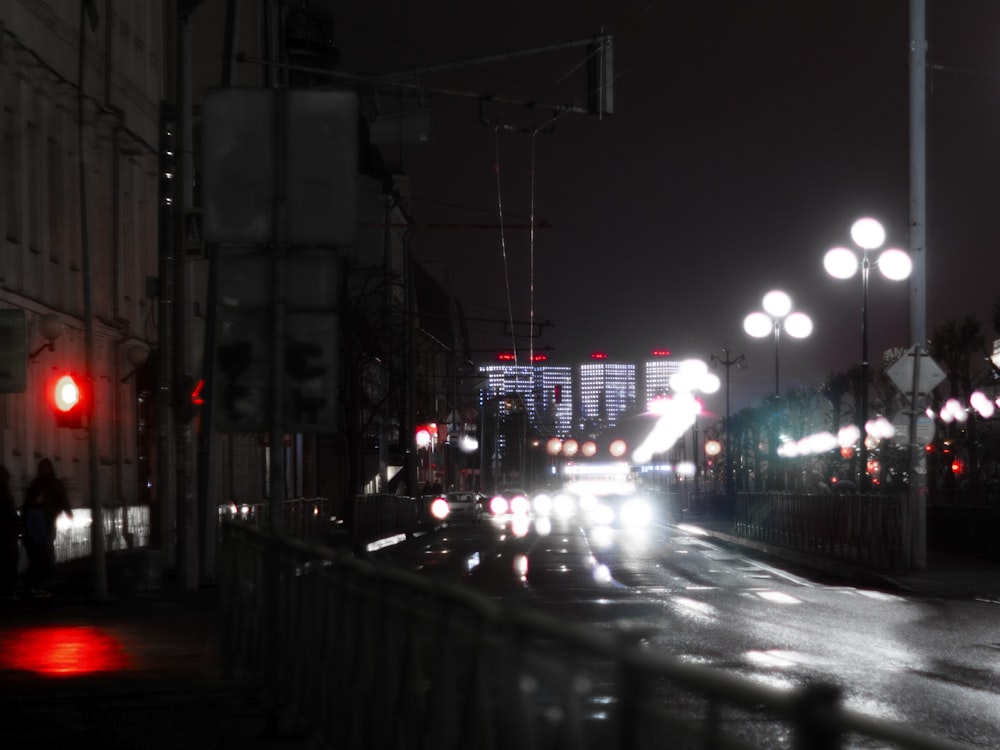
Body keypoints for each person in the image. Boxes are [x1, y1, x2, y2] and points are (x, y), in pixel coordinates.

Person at [21, 458, 72, 597]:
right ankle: (34, 585)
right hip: (38, 523)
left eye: (46, 467)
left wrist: (67, 512)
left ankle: (35, 585)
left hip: (46, 522)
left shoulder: (51, 484)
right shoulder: (38, 484)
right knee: (40, 554)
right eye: (42, 467)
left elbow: (62, 499)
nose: (44, 470)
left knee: (43, 552)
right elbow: (28, 505)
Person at [0, 466, 18, 600]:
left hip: (6, 530)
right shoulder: (4, 491)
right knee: (10, 560)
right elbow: (10, 511)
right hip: (6, 531)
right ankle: (7, 591)